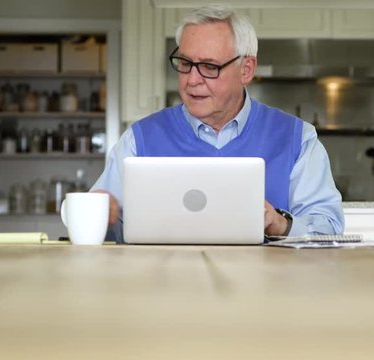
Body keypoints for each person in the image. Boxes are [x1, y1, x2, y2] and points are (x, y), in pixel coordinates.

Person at [91, 5, 344, 242]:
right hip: (165, 286)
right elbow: (107, 226)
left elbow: (328, 228)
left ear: (246, 70)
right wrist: (103, 217)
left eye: (209, 66)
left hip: (268, 287)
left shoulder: (297, 138)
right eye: (185, 63)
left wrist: (279, 224)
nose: (192, 80)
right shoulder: (139, 138)